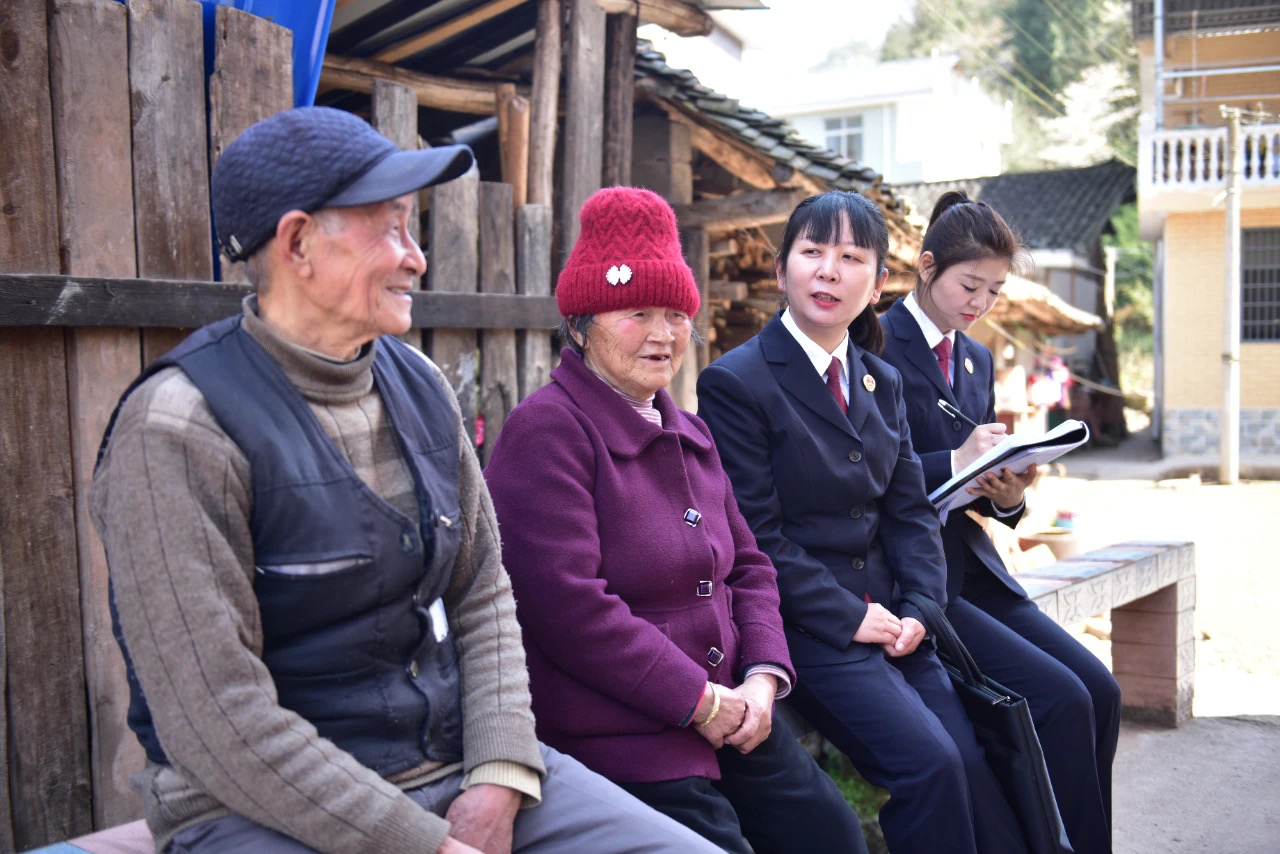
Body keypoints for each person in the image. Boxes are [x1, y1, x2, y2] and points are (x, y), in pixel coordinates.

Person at [90, 107, 724, 854]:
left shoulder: (417, 384)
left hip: (449, 766)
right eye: (389, 228)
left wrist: (498, 772)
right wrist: (422, 843)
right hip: (254, 809)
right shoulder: (180, 426)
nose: (417, 257)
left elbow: (483, 590)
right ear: (298, 243)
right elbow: (216, 720)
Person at [483, 186, 866, 854]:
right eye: (637, 314)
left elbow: (749, 566)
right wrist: (699, 701)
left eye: (675, 315)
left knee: (830, 834)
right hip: (623, 731)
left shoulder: (687, 429)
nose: (663, 335)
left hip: (733, 710)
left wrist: (763, 677)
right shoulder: (546, 431)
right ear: (583, 323)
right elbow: (567, 608)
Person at [696, 190, 1030, 854]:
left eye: (851, 258)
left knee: (966, 760)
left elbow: (910, 512)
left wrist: (919, 607)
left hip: (900, 622)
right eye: (812, 252)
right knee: (929, 766)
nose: (828, 272)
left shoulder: (881, 380)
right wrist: (847, 614)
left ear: (879, 281)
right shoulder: (737, 382)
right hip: (810, 625)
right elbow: (754, 537)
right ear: (783, 268)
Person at [879, 190, 1121, 854]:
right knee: (1062, 702)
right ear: (926, 267)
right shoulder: (872, 342)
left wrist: (1008, 489)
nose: (979, 303)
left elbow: (981, 492)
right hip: (917, 577)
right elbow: (866, 474)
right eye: (968, 284)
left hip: (974, 566)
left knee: (1099, 691)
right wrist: (953, 460)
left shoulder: (977, 358)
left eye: (993, 290)